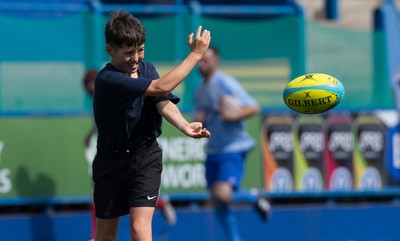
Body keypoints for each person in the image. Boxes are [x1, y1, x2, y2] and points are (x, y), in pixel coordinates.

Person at [92, 10, 211, 241]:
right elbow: (160, 87)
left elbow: (161, 101)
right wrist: (196, 55)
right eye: (128, 53)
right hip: (110, 162)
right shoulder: (107, 80)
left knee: (139, 229)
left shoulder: (146, 69)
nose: (136, 58)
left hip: (145, 157)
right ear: (110, 50)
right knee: (105, 237)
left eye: (140, 50)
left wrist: (184, 126)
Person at [193, 46, 270, 241]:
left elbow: (253, 107)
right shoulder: (200, 90)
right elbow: (201, 115)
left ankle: (253, 196)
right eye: (200, 59)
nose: (202, 63)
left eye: (206, 59)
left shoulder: (226, 83)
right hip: (213, 150)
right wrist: (199, 120)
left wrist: (233, 114)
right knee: (217, 201)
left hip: (232, 148)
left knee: (222, 195)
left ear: (215, 61)